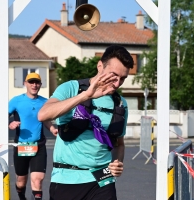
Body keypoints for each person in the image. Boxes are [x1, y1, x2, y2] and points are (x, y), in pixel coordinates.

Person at [38, 45, 134, 200]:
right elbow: (43, 115)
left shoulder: (120, 103)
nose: (117, 84)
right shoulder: (72, 88)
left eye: (122, 79)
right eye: (114, 76)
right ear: (100, 66)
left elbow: (119, 143)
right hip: (67, 179)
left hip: (102, 180)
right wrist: (85, 96)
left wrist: (117, 162)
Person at [9, 72, 58, 200]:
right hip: (21, 146)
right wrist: (11, 123)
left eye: (37, 83)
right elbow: (3, 116)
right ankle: (21, 196)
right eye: (31, 82)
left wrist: (52, 129)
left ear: (40, 85)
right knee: (21, 181)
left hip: (39, 146)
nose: (34, 85)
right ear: (25, 83)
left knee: (37, 180)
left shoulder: (45, 102)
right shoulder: (16, 101)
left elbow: (46, 119)